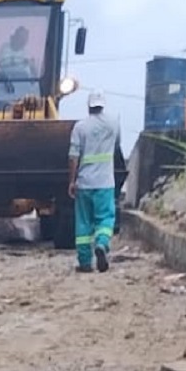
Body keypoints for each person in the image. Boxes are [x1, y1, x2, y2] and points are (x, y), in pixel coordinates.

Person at [69, 91, 121, 273]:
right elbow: (116, 147)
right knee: (105, 218)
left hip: (84, 183)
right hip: (105, 182)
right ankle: (101, 243)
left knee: (83, 223)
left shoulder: (80, 127)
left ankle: (84, 262)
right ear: (103, 105)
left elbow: (73, 156)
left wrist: (72, 181)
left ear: (88, 106)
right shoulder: (114, 124)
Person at [0, 26, 39, 106]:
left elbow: (33, 74)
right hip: (4, 83)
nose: (22, 41)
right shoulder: (5, 48)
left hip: (23, 85)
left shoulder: (27, 53)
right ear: (15, 37)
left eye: (24, 39)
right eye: (20, 38)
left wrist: (32, 67)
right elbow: (2, 65)